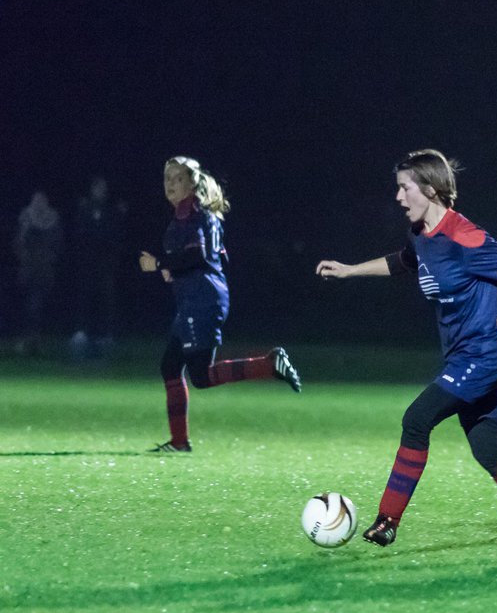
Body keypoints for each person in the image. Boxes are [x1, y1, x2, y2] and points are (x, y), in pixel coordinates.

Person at [315, 148, 497, 559]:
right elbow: (404, 261)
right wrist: (350, 270)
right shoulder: (421, 235)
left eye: (405, 188)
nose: (398, 197)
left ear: (431, 190)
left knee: (416, 419)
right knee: (489, 450)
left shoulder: (463, 235)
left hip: (485, 356)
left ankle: (387, 521)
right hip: (462, 359)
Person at [139, 156, 301, 453]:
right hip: (198, 299)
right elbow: (218, 258)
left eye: (178, 178)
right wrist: (175, 269)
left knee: (200, 375)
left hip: (200, 301)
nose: (171, 184)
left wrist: (160, 263)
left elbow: (199, 256)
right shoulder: (197, 214)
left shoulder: (191, 215)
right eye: (167, 178)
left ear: (192, 183)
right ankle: (179, 442)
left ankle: (268, 365)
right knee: (171, 366)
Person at [71, 175, 128, 359]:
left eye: (102, 188)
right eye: (97, 188)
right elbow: (80, 234)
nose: (100, 191)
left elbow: (116, 235)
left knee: (107, 298)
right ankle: (82, 331)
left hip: (106, 263)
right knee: (84, 296)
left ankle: (106, 334)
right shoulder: (84, 208)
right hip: (87, 262)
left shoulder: (112, 210)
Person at [13, 190, 64, 355]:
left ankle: (37, 340)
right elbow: (18, 243)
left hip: (45, 270)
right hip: (28, 268)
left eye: (42, 200)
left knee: (38, 306)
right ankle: (27, 340)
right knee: (28, 306)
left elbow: (58, 244)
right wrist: (24, 257)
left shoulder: (53, 219)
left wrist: (50, 258)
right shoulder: (25, 218)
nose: (39, 203)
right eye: (36, 200)